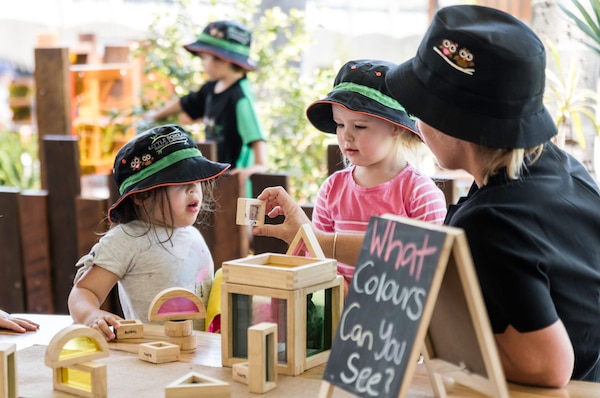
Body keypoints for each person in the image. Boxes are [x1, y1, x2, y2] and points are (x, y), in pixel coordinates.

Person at [255, 5, 600, 388]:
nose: (415, 123)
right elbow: (430, 253)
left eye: (419, 108)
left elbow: (547, 366)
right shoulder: (553, 169)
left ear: (453, 121)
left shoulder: (493, 219)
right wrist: (320, 242)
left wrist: (430, 343)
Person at [68, 124, 230, 341]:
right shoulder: (126, 239)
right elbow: (84, 291)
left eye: (197, 179)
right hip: (153, 356)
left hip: (200, 353)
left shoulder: (192, 234)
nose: (194, 188)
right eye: (180, 181)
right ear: (141, 195)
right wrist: (91, 315)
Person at [305, 59, 447, 295]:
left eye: (359, 126)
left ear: (395, 127)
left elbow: (431, 270)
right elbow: (317, 256)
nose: (346, 137)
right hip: (337, 315)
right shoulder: (332, 188)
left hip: (396, 320)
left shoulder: (420, 193)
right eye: (339, 125)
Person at [144, 20, 267, 193]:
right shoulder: (212, 88)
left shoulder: (240, 97)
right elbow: (185, 103)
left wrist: (259, 165)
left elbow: (256, 137)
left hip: (235, 183)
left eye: (204, 59)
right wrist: (154, 116)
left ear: (221, 60)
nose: (202, 64)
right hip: (217, 177)